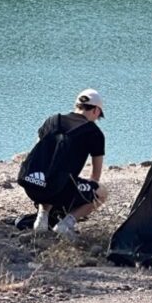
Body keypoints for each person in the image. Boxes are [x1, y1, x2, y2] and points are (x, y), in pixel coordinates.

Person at [27, 89, 107, 239]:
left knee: (52, 175)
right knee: (101, 192)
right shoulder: (94, 133)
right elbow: (95, 176)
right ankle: (66, 224)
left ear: (76, 105)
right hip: (58, 189)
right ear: (96, 110)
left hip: (32, 185)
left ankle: (42, 218)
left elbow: (36, 154)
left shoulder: (53, 120)